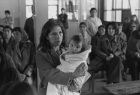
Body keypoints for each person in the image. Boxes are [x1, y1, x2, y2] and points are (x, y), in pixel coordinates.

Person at [36, 19, 86, 95]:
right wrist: (73, 75)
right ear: (46, 36)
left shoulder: (66, 50)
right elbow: (52, 75)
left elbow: (78, 66)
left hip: (69, 89)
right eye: (54, 34)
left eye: (60, 33)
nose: (58, 36)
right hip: (49, 89)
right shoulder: (41, 54)